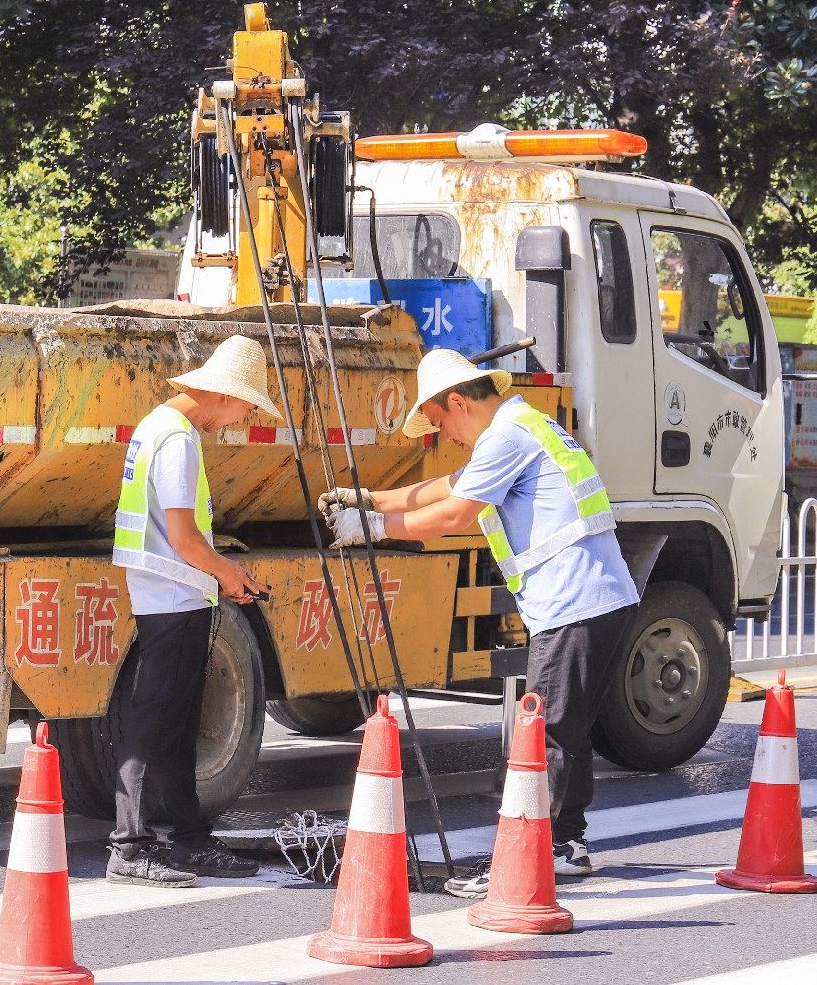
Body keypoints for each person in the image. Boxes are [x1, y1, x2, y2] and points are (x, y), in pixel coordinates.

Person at [323, 348, 639, 896]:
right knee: (567, 733)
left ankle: (522, 860)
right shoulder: (525, 423)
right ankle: (564, 844)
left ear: (457, 403)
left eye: (440, 421)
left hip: (574, 605)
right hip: (600, 600)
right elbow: (444, 487)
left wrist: (372, 527)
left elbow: (451, 516)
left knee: (539, 739)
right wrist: (369, 497)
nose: (444, 434)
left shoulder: (505, 438)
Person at [107, 334, 274, 887]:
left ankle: (186, 838)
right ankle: (129, 850)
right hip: (174, 594)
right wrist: (230, 574)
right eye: (248, 403)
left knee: (174, 726)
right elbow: (183, 536)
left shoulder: (157, 426)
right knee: (153, 724)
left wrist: (221, 575)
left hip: (169, 593)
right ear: (223, 394)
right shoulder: (178, 439)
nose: (246, 415)